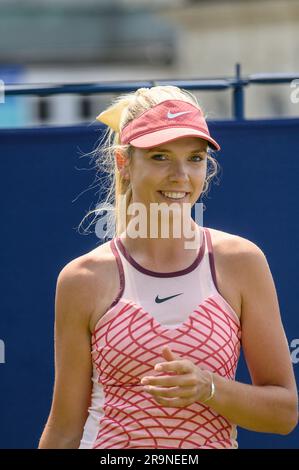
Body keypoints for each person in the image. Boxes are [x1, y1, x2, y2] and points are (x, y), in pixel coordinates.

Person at [39, 85, 298, 449]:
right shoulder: (82, 278)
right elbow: (65, 428)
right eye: (160, 157)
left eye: (195, 158)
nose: (181, 175)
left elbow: (283, 413)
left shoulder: (242, 262)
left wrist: (208, 387)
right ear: (124, 164)